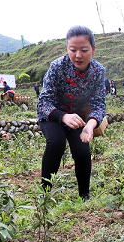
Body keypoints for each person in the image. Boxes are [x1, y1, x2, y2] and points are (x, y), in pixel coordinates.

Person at [37, 26, 106, 200]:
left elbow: (99, 105)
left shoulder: (99, 72)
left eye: (84, 50)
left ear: (93, 49)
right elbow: (43, 102)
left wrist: (90, 125)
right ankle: (44, 193)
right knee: (57, 143)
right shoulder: (57, 67)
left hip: (77, 118)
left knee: (82, 151)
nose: (78, 55)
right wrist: (63, 116)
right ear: (67, 49)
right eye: (72, 50)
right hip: (52, 115)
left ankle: (84, 194)